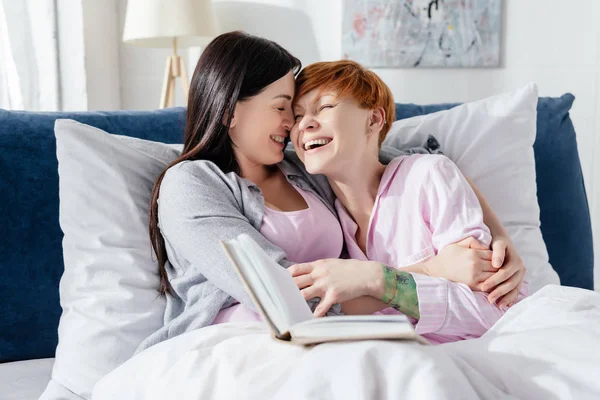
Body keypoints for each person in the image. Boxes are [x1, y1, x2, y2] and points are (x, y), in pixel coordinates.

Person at [138, 31, 524, 352]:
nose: (294, 124)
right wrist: (422, 272)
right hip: (241, 341)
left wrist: (501, 239)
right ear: (230, 112)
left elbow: (408, 159)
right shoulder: (191, 183)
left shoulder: (303, 169)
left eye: (306, 110)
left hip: (341, 338)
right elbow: (285, 298)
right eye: (284, 107)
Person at [288, 60, 528, 343]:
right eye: (296, 115)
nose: (305, 124)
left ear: (374, 120)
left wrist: (380, 280)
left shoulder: (428, 175)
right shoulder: (328, 227)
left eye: (325, 107)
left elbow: (496, 308)